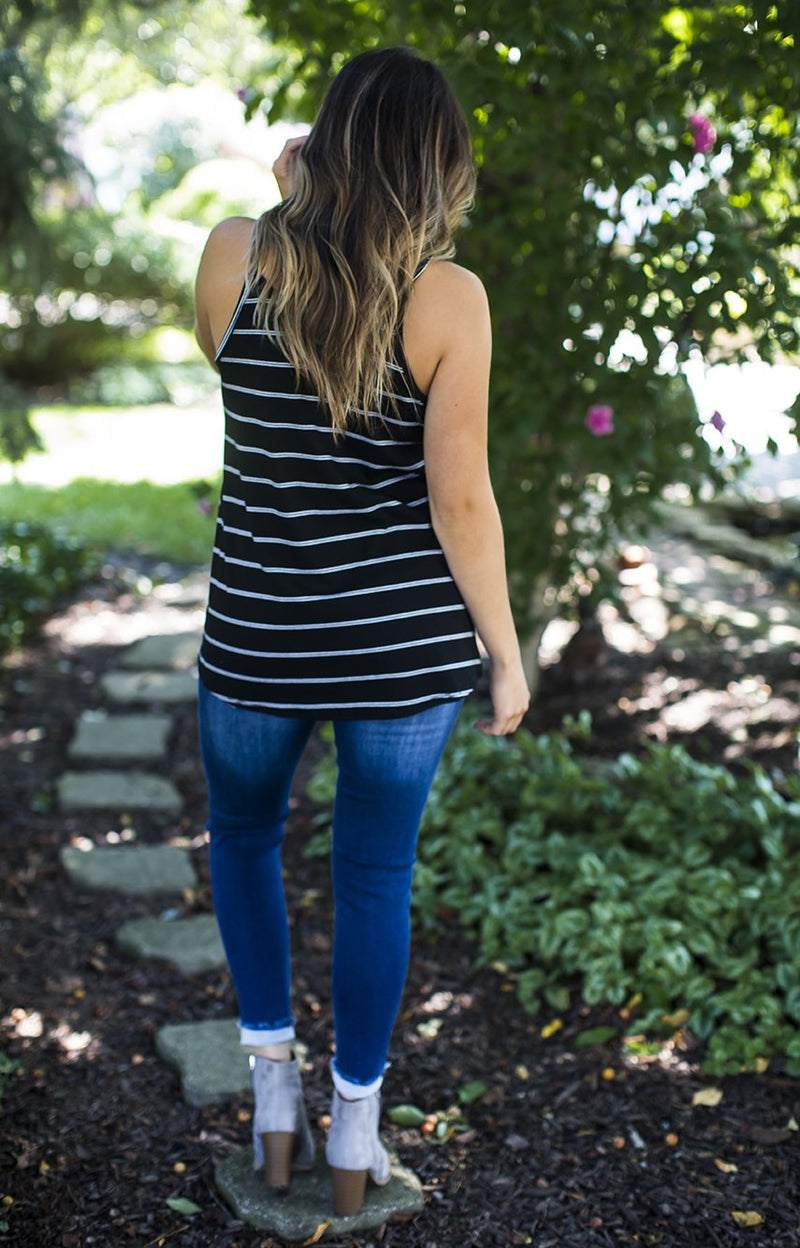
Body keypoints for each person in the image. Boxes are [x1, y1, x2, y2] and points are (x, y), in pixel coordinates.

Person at [193, 45, 529, 1218]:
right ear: (437, 163)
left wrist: (290, 203)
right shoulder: (448, 299)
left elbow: (248, 370)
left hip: (255, 641)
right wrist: (503, 647)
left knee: (243, 842)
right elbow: (460, 502)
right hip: (397, 655)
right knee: (373, 874)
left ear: (325, 139)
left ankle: (272, 1105)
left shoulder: (234, 255)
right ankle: (353, 1135)